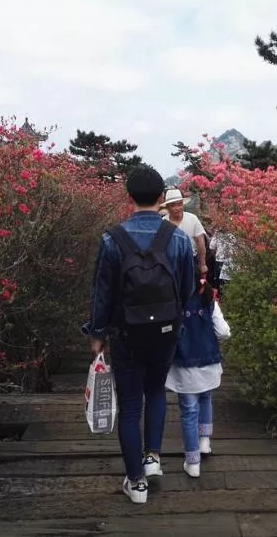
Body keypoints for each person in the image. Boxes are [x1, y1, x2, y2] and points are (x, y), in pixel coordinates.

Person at [83, 166, 195, 504]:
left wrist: (98, 332)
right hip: (165, 332)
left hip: (126, 334)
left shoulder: (112, 239)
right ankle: (153, 459)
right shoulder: (176, 238)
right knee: (157, 391)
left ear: (128, 196)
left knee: (131, 405)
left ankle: (137, 484)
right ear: (162, 198)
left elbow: (102, 292)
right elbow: (187, 289)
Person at [165, 275, 231, 478]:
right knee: (206, 397)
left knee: (188, 411)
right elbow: (224, 332)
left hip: (184, 363)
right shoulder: (209, 298)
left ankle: (192, 462)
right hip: (208, 361)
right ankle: (205, 442)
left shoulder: (172, 300)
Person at [160, 188, 208, 277]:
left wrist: (203, 264)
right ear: (167, 207)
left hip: (190, 261)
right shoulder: (163, 222)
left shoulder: (192, 219)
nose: (177, 208)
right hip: (169, 263)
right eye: (173, 205)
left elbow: (200, 244)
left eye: (179, 204)